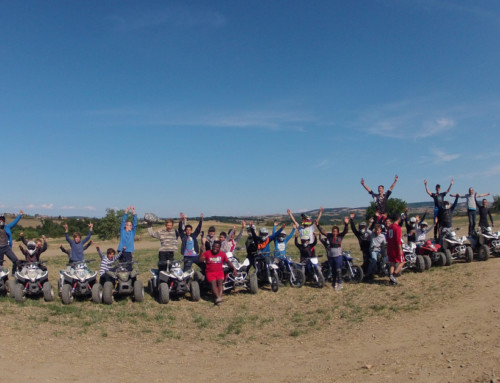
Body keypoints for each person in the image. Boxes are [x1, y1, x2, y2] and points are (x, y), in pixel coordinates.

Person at [318, 217, 349, 290]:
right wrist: (317, 225)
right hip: (331, 256)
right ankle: (334, 283)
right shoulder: (329, 236)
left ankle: (340, 283)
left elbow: (345, 230)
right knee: (333, 270)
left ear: (338, 232)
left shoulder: (340, 236)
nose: (334, 232)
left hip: (338, 255)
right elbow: (323, 232)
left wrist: (346, 224)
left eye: (336, 231)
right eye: (333, 231)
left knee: (338, 270)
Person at [386, 213, 404, 285]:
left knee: (392, 263)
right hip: (395, 248)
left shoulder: (390, 227)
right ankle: (393, 276)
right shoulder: (397, 227)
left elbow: (387, 238)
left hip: (390, 247)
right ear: (399, 219)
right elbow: (398, 239)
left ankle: (391, 281)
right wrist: (400, 249)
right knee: (402, 262)